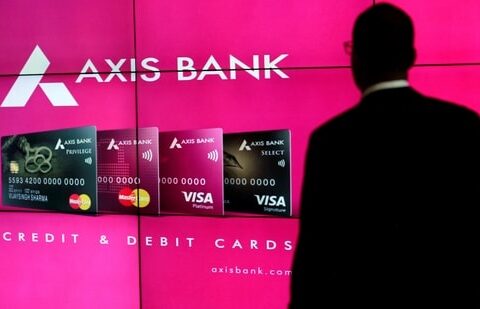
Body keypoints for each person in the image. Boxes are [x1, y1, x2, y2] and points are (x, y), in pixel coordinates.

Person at [290, 3, 480, 308]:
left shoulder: (332, 139)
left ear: (356, 58)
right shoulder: (464, 125)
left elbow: (315, 254)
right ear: (411, 57)